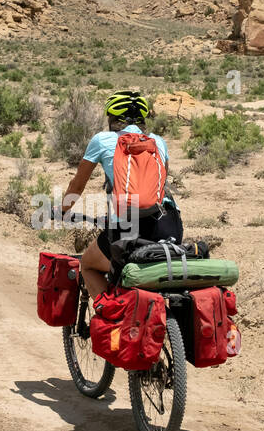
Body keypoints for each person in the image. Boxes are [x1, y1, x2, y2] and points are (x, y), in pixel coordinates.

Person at [61, 91, 183, 299]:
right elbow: (161, 184)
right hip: (169, 223)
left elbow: (77, 186)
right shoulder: (158, 142)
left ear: (112, 118)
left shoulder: (101, 140)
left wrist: (62, 209)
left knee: (88, 265)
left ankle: (109, 317)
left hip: (127, 230)